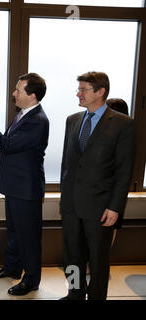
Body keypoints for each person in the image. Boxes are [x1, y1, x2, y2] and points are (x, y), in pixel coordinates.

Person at [60, 72, 135, 300]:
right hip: (72, 205)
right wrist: (64, 200)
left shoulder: (123, 124)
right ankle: (74, 292)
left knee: (98, 259)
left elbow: (124, 171)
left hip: (101, 208)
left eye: (84, 90)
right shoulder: (72, 120)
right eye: (79, 89)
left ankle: (96, 297)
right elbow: (67, 163)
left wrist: (115, 208)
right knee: (72, 256)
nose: (78, 94)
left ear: (101, 92)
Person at [0, 73, 49, 296]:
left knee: (28, 237)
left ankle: (31, 280)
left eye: (18, 90)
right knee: (14, 231)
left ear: (32, 95)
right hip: (15, 188)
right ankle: (12, 268)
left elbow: (10, 145)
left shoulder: (38, 120)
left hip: (26, 190)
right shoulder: (23, 115)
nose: (14, 94)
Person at [106, 98, 130, 245]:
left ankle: (97, 262)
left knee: (109, 226)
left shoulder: (124, 134)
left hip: (112, 191)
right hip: (113, 191)